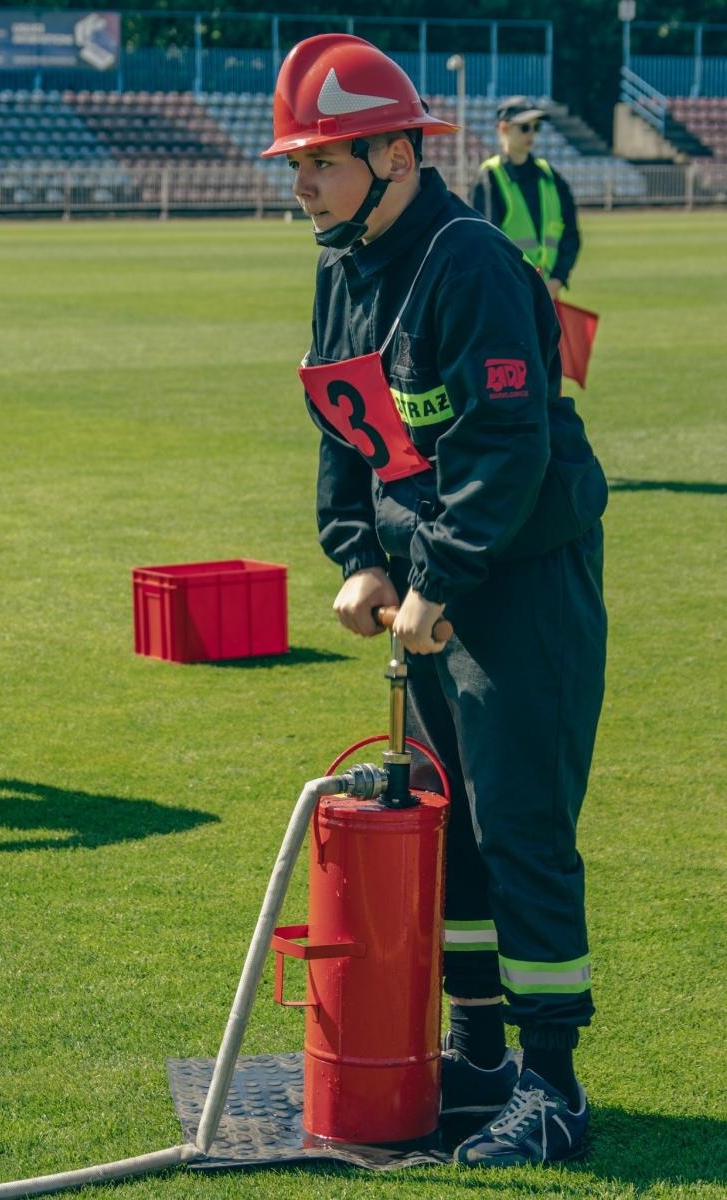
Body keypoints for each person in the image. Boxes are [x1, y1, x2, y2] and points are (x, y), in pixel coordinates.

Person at [262, 34, 607, 1168]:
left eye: (321, 160)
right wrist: (357, 555)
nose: (300, 184)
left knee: (517, 830)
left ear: (397, 156)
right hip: (431, 587)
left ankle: (552, 1089)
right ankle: (479, 1053)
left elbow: (506, 447)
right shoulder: (342, 263)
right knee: (448, 830)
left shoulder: (469, 262)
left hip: (518, 586)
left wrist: (437, 580)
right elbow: (341, 424)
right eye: (297, 163)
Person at [473, 97, 581, 300]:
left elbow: (571, 234)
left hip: (548, 295)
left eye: (536, 127)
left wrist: (557, 280)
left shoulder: (550, 176)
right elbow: (486, 246)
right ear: (503, 128)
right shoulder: (489, 177)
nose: (531, 134)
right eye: (524, 128)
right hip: (508, 295)